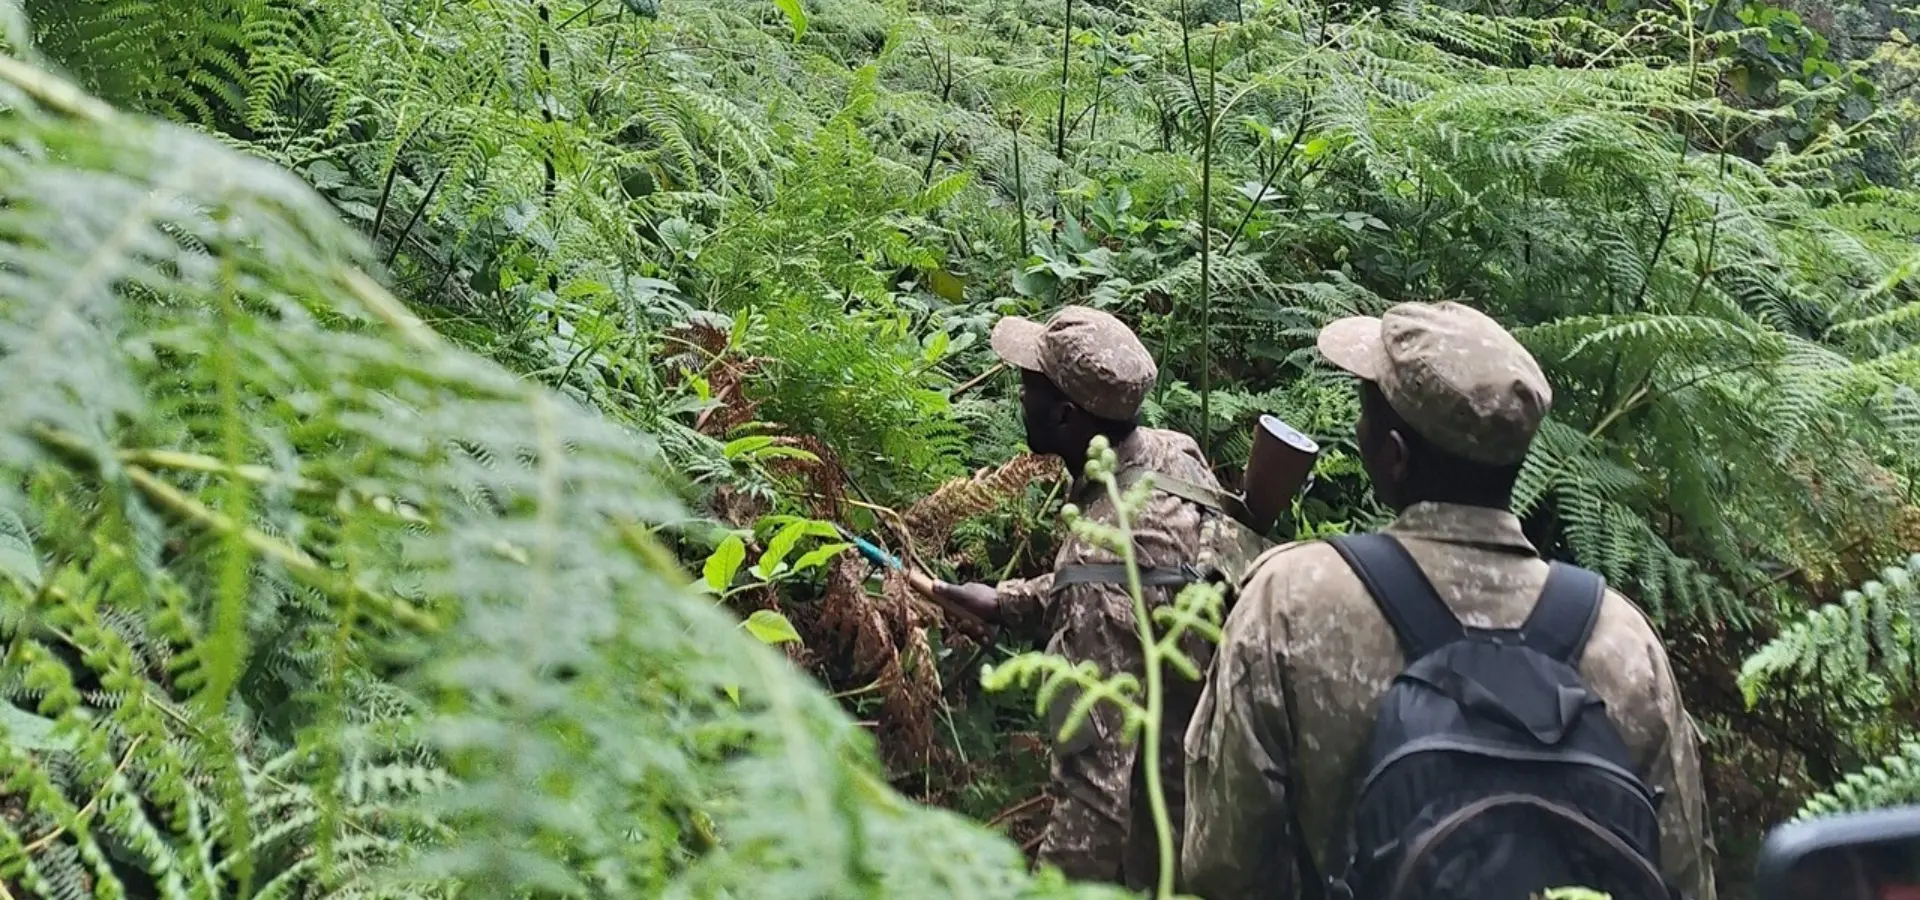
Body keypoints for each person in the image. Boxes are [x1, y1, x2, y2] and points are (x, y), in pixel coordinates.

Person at [1179, 300, 1717, 900]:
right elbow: (1684, 878)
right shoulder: (1625, 642)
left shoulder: (1291, 599)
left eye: (1364, 415)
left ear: (1394, 456)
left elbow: (1222, 865)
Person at [910, 305, 1224, 890]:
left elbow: (1094, 807)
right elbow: (1149, 579)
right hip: (1226, 800)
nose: (1019, 393)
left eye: (1031, 384)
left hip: (1173, 852)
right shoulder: (1172, 458)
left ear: (1064, 416)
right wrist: (1006, 601)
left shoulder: (1095, 561)